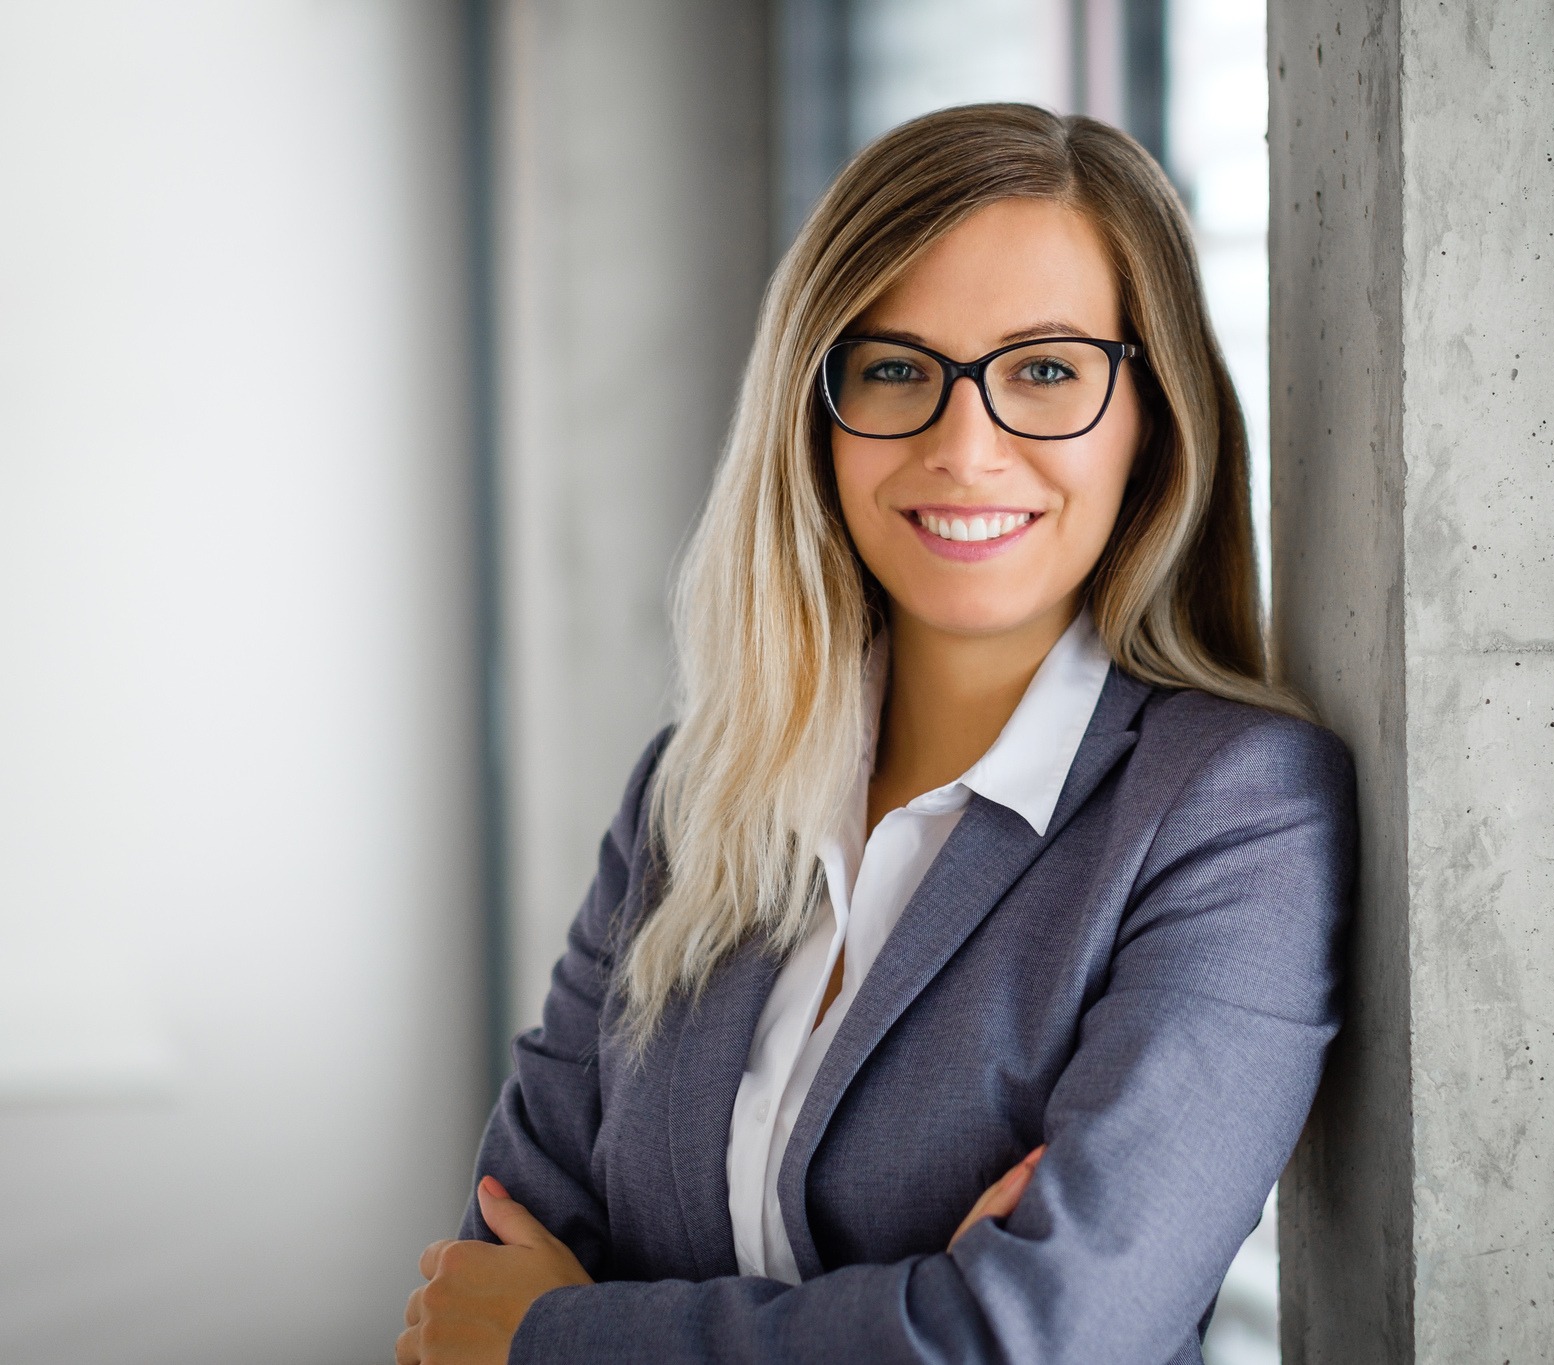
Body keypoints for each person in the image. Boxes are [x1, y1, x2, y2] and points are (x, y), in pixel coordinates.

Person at [396, 102, 1353, 1365]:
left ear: (1153, 415)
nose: (965, 448)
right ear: (816, 411)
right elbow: (489, 1265)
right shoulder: (695, 795)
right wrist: (908, 1322)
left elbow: (1044, 1338)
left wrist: (566, 1340)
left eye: (1047, 371)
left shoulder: (1231, 810)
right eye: (895, 369)